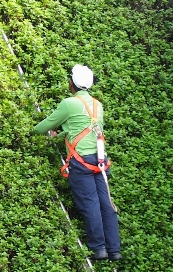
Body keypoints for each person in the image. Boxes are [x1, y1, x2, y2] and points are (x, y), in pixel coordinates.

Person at [33, 65, 122, 261]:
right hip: (99, 160)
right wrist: (63, 134)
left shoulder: (69, 103)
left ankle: (98, 248)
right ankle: (114, 249)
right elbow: (85, 129)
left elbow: (44, 126)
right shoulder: (97, 105)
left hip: (81, 163)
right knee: (106, 203)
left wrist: (30, 131)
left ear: (71, 83)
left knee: (90, 203)